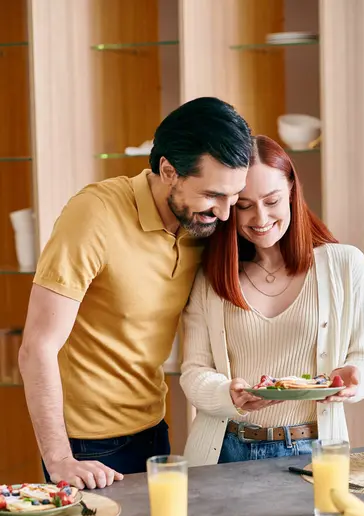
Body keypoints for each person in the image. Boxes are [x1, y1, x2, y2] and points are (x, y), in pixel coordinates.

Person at [19, 97, 252, 489]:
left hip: (154, 429)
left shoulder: (202, 224)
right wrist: (59, 459)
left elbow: (274, 254)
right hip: (86, 447)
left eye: (234, 197)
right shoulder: (94, 214)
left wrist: (350, 318)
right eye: (213, 195)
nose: (227, 213)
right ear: (168, 170)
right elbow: (36, 347)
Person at [180, 135, 364, 466]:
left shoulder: (346, 264)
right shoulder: (212, 276)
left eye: (271, 201)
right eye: (244, 205)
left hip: (315, 451)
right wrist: (227, 393)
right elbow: (194, 371)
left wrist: (356, 378)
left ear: (291, 192)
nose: (260, 218)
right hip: (226, 450)